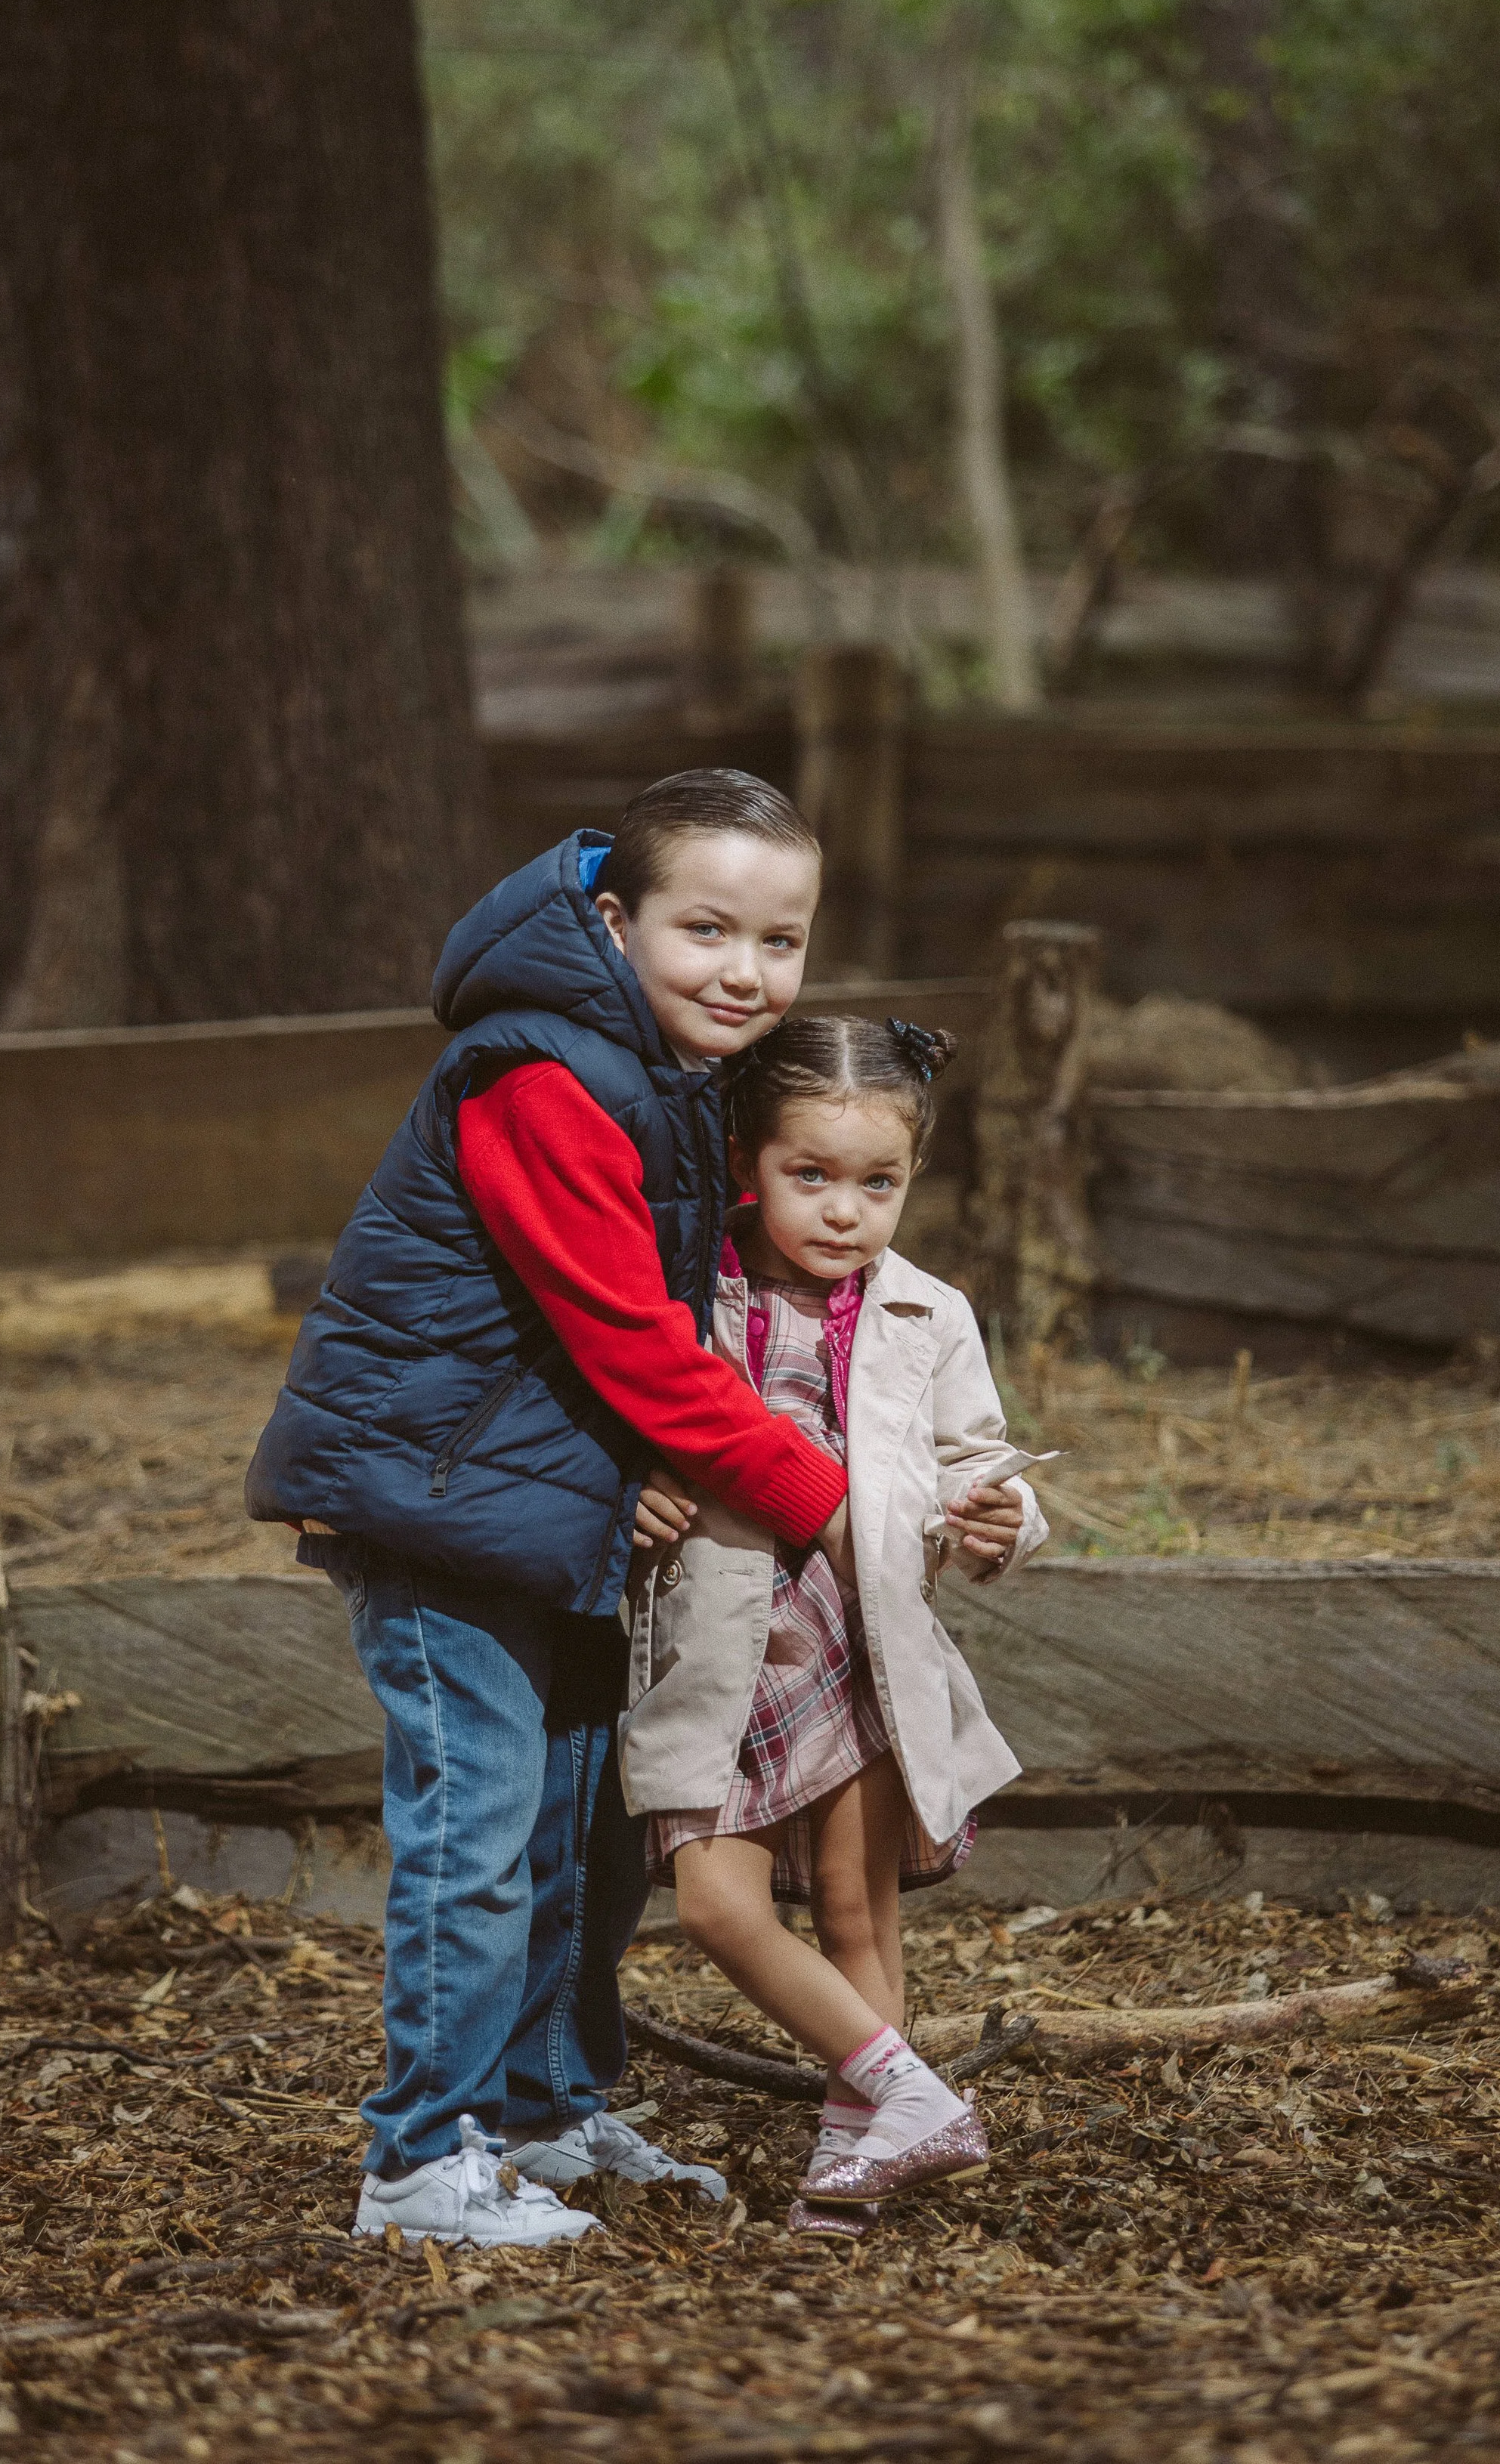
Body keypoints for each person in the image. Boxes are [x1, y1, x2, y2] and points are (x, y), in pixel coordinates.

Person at [246, 770, 860, 2246]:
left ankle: (539, 2108)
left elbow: (662, 1316)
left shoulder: (675, 1076)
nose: (743, 972)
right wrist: (822, 1501)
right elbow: (630, 1346)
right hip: (438, 1504)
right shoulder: (546, 1079)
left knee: (581, 1833)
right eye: (703, 928)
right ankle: (418, 2163)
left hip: (557, 1504)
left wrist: (652, 1471)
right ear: (611, 917)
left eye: (778, 943)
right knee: (477, 1830)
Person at [617, 1014, 1049, 2233]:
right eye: (811, 1175)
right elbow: (630, 1432)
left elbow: (986, 1459)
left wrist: (1002, 1519)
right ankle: (913, 2092)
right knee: (715, 1903)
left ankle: (852, 2171)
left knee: (860, 1911)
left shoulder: (929, 1311)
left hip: (858, 1642)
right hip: (719, 1649)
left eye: (880, 1182)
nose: (845, 1210)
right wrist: (628, 1493)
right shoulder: (685, 1287)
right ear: (748, 1155)